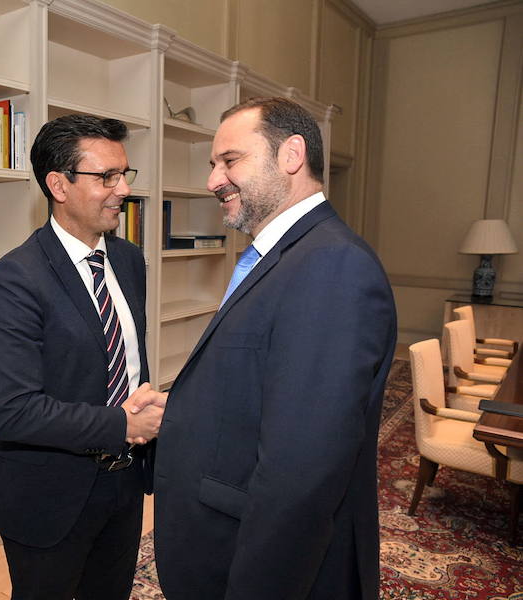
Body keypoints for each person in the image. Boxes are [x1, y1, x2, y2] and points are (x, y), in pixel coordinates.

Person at [153, 97, 397, 600]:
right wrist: (181, 409)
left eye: (230, 160)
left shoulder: (332, 267)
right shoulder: (285, 256)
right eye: (212, 164)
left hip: (264, 563)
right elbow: (270, 385)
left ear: (291, 155)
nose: (213, 180)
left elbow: (302, 472)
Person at [0, 114, 166, 600]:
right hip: (50, 495)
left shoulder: (128, 259)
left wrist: (145, 411)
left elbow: (124, 360)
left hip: (125, 483)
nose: (124, 189)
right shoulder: (17, 276)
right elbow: (11, 410)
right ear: (58, 185)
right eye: (107, 177)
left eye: (124, 174)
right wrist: (122, 424)